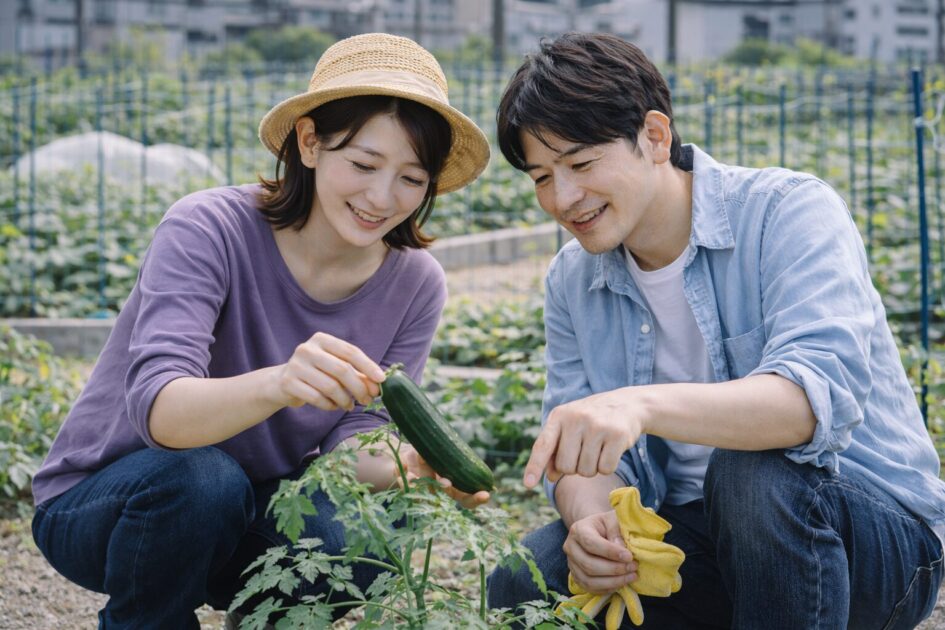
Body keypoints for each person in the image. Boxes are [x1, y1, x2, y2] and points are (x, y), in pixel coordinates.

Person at [30, 33, 491, 628]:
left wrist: (409, 467)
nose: (382, 197)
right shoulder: (207, 228)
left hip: (251, 507)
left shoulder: (415, 282)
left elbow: (354, 444)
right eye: (363, 164)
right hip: (110, 503)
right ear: (309, 142)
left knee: (375, 524)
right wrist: (280, 383)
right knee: (203, 478)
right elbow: (161, 413)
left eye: (412, 177)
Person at [487, 32, 945, 629]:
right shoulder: (572, 278)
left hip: (869, 539)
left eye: (580, 163)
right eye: (541, 177)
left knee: (752, 473)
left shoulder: (788, 210)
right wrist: (589, 521)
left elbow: (808, 405)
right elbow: (580, 456)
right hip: (704, 538)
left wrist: (639, 404)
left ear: (655, 136)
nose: (563, 197)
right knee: (526, 576)